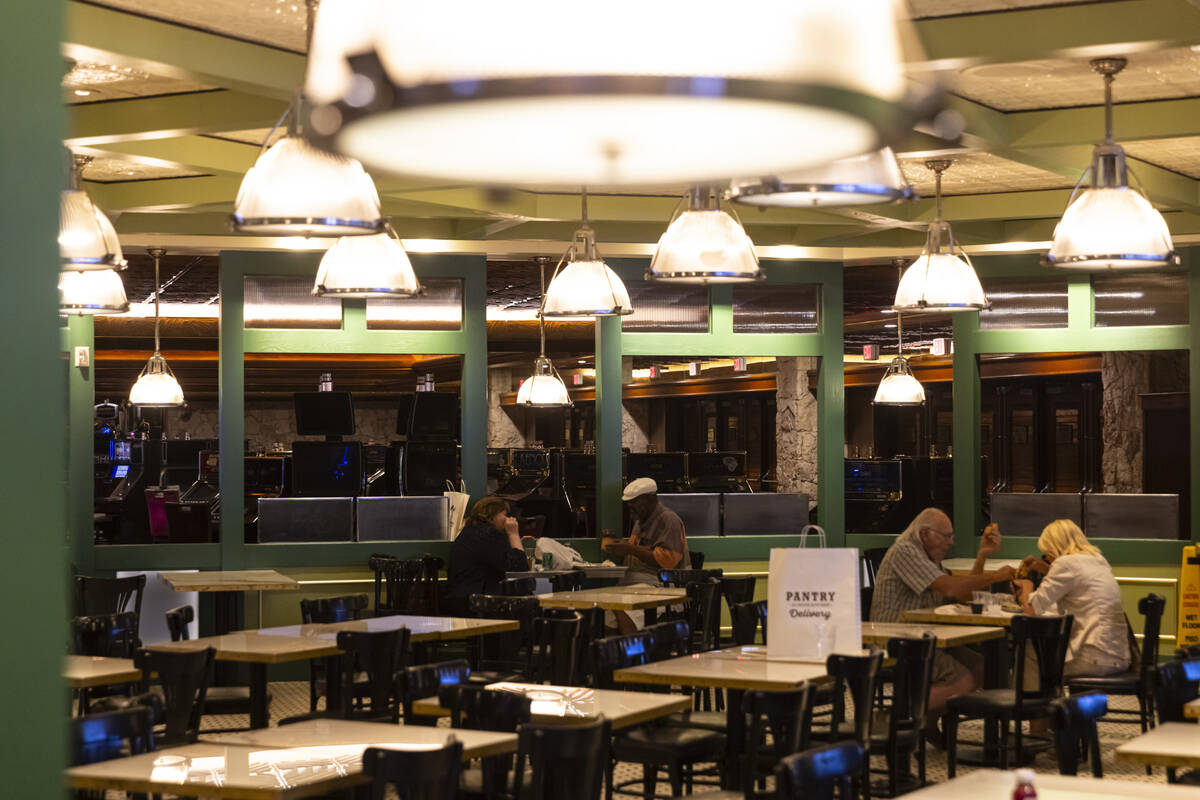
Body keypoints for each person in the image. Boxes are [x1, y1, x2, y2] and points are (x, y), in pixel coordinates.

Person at [870, 507, 1017, 730]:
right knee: (963, 679)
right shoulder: (905, 551)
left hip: (929, 637)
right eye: (947, 536)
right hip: (899, 639)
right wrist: (996, 576)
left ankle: (926, 724)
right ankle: (898, 716)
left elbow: (964, 594)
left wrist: (982, 555)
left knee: (984, 669)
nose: (951, 542)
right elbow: (949, 589)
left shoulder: (929, 557)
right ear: (925, 534)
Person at [1011, 519, 1130, 679]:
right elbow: (1076, 585)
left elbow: (1030, 613)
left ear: (1054, 548)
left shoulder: (1065, 563)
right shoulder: (1098, 560)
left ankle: (1033, 702)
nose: (1049, 558)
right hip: (1119, 656)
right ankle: (1050, 699)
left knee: (1029, 647)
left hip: (1093, 659)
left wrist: (1027, 586)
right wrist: (1048, 570)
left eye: (1048, 554)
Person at [601, 477, 689, 633]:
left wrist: (631, 549)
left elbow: (668, 561)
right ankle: (616, 651)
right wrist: (622, 549)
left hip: (661, 587)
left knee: (621, 607)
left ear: (650, 499)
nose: (630, 506)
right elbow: (639, 553)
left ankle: (636, 651)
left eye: (634, 501)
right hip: (634, 585)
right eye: (629, 502)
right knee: (607, 605)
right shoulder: (640, 522)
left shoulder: (668, 520)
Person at [444, 496, 528, 616]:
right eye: (504, 514)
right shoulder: (489, 534)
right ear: (493, 515)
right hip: (477, 602)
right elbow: (519, 567)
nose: (508, 519)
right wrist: (513, 534)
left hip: (460, 598)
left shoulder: (469, 532)